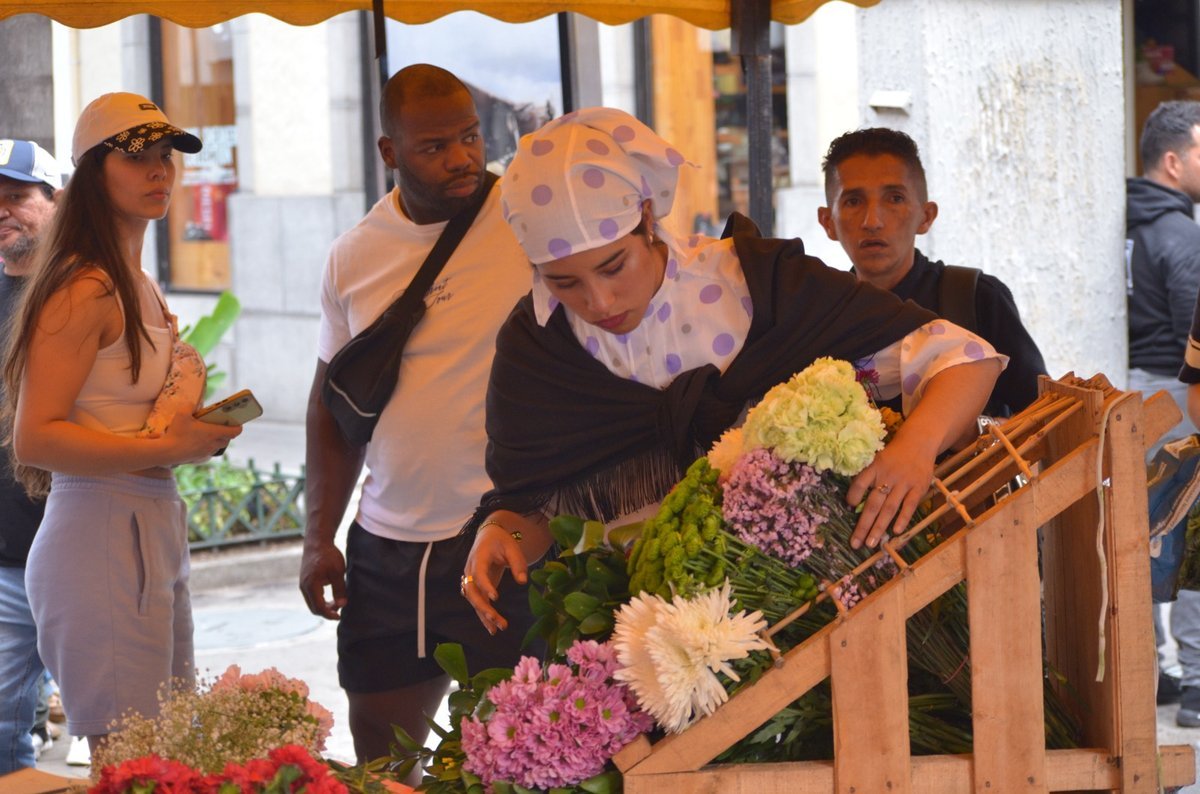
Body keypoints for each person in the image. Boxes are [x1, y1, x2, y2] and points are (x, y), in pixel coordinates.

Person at [459, 108, 1004, 636]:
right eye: (564, 282)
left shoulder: (752, 286)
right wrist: (500, 533)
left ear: (647, 217)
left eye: (613, 266)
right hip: (639, 631)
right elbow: (530, 502)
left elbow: (962, 359)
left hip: (807, 608)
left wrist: (916, 447)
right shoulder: (538, 348)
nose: (599, 301)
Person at [297, 64, 535, 778]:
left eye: (470, 135)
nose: (463, 157)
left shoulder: (528, 215)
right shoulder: (354, 255)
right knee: (380, 756)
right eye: (435, 145)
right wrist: (317, 537)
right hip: (386, 547)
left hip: (501, 532)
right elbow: (328, 407)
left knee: (515, 756)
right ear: (388, 151)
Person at [1, 93, 240, 754]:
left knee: (167, 758)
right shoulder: (85, 287)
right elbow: (36, 437)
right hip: (99, 531)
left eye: (166, 155)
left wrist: (189, 432)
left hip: (147, 523)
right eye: (137, 156)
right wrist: (171, 444)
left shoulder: (134, 280)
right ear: (90, 174)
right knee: (131, 763)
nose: (159, 169)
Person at [817, 127, 1047, 419]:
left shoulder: (974, 299)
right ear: (828, 222)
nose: (872, 221)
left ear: (926, 216)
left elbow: (1044, 419)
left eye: (895, 198)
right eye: (853, 201)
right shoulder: (820, 315)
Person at [1127, 100, 1200, 724]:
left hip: (1137, 395)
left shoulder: (1127, 222)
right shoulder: (1180, 234)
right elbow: (1192, 333)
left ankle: (1157, 669)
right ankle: (1199, 680)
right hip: (1179, 396)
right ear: (1174, 161)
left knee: (1148, 535)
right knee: (1187, 532)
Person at [0, 139, 60, 773]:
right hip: (7, 560)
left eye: (17, 196)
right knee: (5, 731)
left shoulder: (81, 294)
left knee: (120, 724)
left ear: (55, 203)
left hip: (79, 546)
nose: (3, 211)